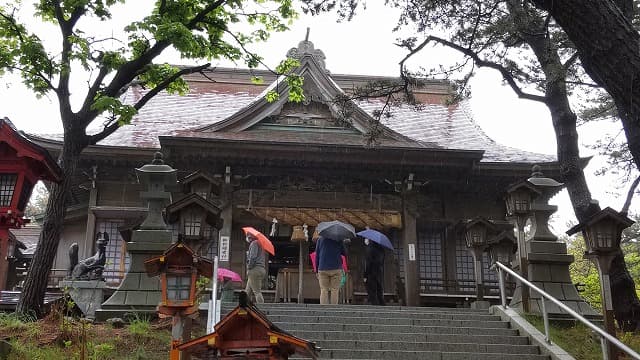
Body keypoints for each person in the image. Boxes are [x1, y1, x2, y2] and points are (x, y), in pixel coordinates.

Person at [315, 235, 346, 305]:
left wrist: (316, 270)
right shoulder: (339, 239)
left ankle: (323, 310)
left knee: (324, 289)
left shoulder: (320, 240)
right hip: (336, 267)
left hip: (323, 267)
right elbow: (344, 253)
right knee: (335, 290)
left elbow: (317, 256)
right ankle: (333, 310)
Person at [245, 234, 266, 304]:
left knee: (257, 292)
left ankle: (262, 309)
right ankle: (244, 306)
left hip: (255, 269)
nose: (248, 238)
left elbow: (253, 257)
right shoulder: (261, 244)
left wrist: (249, 267)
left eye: (248, 237)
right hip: (261, 269)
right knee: (247, 291)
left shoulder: (254, 243)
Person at [363, 238, 385, 305]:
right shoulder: (381, 249)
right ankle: (382, 303)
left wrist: (365, 275)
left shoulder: (369, 249)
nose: (365, 240)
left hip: (371, 272)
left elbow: (368, 263)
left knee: (372, 290)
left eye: (366, 239)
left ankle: (375, 305)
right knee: (379, 289)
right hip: (379, 271)